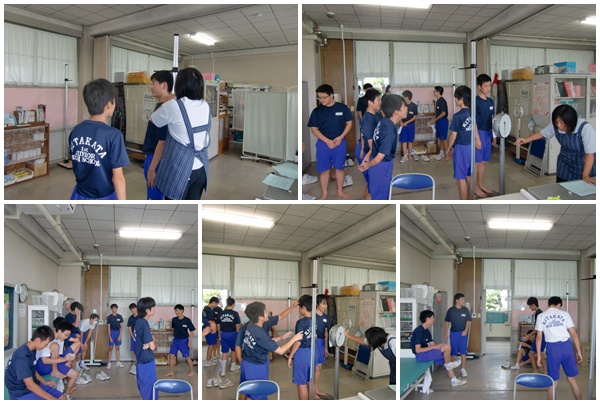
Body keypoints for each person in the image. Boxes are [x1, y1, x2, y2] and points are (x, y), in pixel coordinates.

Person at [151, 67, 211, 199]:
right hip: (201, 168)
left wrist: (170, 99)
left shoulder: (174, 105)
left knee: (174, 206)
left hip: (181, 171)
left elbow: (153, 119)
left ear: (179, 85)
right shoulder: (205, 105)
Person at [69, 78, 129, 200]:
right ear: (109, 104)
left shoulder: (75, 131)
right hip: (104, 197)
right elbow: (118, 178)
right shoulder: (114, 136)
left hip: (79, 195)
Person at [515, 104, 596, 184]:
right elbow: (542, 133)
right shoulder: (555, 125)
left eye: (562, 123)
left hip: (584, 164)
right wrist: (526, 140)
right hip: (565, 164)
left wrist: (586, 175)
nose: (558, 125)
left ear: (570, 121)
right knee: (562, 188)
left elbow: (590, 154)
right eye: (556, 122)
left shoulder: (585, 128)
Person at [239, 302, 303, 400]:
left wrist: (280, 338)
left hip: (247, 363)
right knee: (259, 395)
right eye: (265, 311)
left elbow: (263, 342)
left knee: (251, 393)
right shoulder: (259, 333)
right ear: (260, 317)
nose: (267, 312)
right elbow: (281, 351)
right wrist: (294, 339)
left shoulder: (251, 326)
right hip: (256, 367)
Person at [308, 84, 353, 200]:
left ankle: (340, 191)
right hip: (323, 143)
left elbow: (349, 123)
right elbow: (314, 129)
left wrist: (341, 137)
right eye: (319, 98)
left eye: (324, 97)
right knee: (324, 170)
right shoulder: (317, 111)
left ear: (331, 95)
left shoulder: (342, 108)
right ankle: (324, 193)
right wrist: (327, 141)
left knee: (339, 168)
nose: (321, 100)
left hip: (339, 143)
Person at [358, 94, 408, 200]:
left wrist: (368, 156)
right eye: (404, 106)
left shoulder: (384, 121)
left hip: (376, 162)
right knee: (379, 197)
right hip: (381, 166)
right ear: (396, 111)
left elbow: (375, 142)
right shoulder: (389, 132)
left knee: (372, 191)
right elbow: (379, 158)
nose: (406, 108)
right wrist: (367, 165)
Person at [535, 296, 583, 400]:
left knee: (553, 382)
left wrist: (538, 356)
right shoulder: (565, 314)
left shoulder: (541, 316)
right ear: (559, 304)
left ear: (549, 304)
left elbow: (539, 337)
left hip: (553, 349)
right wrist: (579, 351)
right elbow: (574, 334)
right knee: (571, 379)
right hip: (567, 347)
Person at [5, 325, 68, 400]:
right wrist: (51, 399)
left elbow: (33, 370)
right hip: (21, 392)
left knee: (63, 398)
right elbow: (30, 385)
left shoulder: (32, 349)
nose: (46, 346)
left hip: (34, 384)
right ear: (37, 340)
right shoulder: (22, 358)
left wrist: (44, 382)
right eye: (46, 344)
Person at [409, 310, 466, 387]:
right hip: (421, 355)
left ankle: (452, 375)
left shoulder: (426, 331)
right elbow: (418, 350)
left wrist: (439, 346)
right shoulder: (419, 331)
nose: (434, 319)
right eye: (433, 318)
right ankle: (451, 372)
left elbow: (433, 344)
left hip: (426, 353)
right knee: (447, 349)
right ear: (427, 319)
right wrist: (435, 347)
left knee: (446, 347)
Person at [143, 70, 174, 200]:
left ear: (164, 85)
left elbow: (162, 142)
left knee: (155, 199)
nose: (151, 87)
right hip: (152, 157)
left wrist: (152, 168)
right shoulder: (162, 105)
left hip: (156, 159)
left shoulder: (167, 109)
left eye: (153, 83)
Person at [448, 85, 481, 200]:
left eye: (456, 98)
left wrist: (448, 148)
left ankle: (463, 203)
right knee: (469, 177)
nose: (455, 100)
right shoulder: (472, 112)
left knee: (460, 180)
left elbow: (453, 136)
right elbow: (474, 126)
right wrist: (477, 139)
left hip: (461, 148)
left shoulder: (458, 116)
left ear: (461, 99)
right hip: (471, 148)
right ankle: (470, 201)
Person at [35, 322, 79, 398]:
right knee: (74, 374)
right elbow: (44, 360)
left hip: (52, 363)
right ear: (59, 331)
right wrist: (64, 360)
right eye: (65, 335)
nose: (66, 337)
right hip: (42, 366)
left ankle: (67, 394)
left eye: (68, 336)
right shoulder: (50, 340)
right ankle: (55, 371)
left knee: (74, 373)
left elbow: (57, 356)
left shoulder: (60, 340)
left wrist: (67, 360)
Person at [288, 295, 317, 400]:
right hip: (312, 352)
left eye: (300, 308)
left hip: (302, 353)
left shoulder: (300, 323)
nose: (300, 310)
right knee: (309, 380)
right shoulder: (314, 320)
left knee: (301, 384)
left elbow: (298, 342)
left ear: (303, 308)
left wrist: (290, 356)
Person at [355, 88, 382, 200]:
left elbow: (363, 134)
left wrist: (362, 147)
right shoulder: (368, 119)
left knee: (371, 183)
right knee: (372, 186)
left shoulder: (377, 114)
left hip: (367, 150)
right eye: (378, 100)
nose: (380, 102)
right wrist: (367, 153)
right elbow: (370, 142)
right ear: (370, 102)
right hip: (370, 153)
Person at [474, 74, 496, 198]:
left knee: (483, 162)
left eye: (489, 86)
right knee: (477, 162)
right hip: (479, 133)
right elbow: (473, 121)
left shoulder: (490, 101)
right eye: (486, 86)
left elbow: (492, 119)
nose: (488, 88)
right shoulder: (475, 101)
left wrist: (494, 135)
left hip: (488, 133)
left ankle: (480, 184)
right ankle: (475, 187)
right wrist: (477, 138)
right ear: (479, 86)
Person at [133, 297, 157, 400]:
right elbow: (153, 346)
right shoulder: (144, 323)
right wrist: (150, 343)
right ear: (147, 310)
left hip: (140, 360)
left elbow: (151, 339)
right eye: (153, 307)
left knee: (143, 390)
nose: (155, 309)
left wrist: (150, 341)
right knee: (149, 390)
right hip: (146, 360)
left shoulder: (138, 322)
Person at [444, 293, 471, 378]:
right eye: (462, 299)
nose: (463, 301)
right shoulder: (451, 310)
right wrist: (446, 333)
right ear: (457, 300)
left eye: (463, 299)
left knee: (463, 352)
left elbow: (468, 321)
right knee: (453, 352)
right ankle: (450, 370)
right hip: (453, 333)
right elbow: (447, 322)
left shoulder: (465, 310)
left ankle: (463, 369)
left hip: (463, 333)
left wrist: (466, 331)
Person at [165, 304, 196, 378]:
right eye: (175, 311)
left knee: (187, 357)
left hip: (184, 341)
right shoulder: (174, 320)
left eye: (177, 310)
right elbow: (173, 329)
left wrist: (190, 342)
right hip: (176, 341)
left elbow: (192, 331)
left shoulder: (187, 320)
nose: (176, 312)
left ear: (182, 310)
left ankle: (192, 371)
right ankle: (171, 372)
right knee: (171, 355)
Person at [218, 297, 241, 379]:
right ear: (233, 304)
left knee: (224, 352)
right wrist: (238, 332)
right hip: (232, 334)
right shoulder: (235, 314)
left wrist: (219, 333)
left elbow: (218, 324)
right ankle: (232, 366)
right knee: (233, 350)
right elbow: (237, 326)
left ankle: (223, 371)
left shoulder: (221, 313)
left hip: (223, 334)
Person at [314, 295, 332, 399]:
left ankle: (315, 389)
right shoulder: (312, 316)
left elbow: (326, 333)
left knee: (319, 367)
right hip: (313, 342)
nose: (325, 306)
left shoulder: (325, 317)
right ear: (317, 304)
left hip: (321, 343)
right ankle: (312, 391)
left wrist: (326, 347)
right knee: (313, 367)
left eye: (326, 304)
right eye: (323, 303)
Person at [429, 86, 449, 160]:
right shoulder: (438, 101)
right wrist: (433, 119)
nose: (433, 92)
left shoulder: (442, 101)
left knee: (444, 139)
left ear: (438, 92)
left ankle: (447, 155)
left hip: (443, 121)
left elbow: (443, 113)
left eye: (434, 91)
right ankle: (441, 153)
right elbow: (438, 113)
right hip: (439, 121)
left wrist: (435, 120)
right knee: (440, 138)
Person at [399, 90, 419, 163]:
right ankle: (405, 156)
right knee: (404, 141)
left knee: (410, 141)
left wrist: (406, 122)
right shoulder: (402, 105)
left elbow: (414, 117)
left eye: (403, 97)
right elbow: (399, 115)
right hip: (403, 126)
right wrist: (401, 122)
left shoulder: (414, 106)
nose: (403, 98)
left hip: (410, 125)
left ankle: (410, 155)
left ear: (407, 97)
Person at [106, 303, 124, 370]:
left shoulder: (120, 316)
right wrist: (110, 336)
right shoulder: (109, 317)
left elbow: (121, 327)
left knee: (117, 348)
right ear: (111, 309)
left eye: (116, 308)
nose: (115, 309)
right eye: (113, 308)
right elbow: (108, 328)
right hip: (112, 332)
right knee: (110, 348)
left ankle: (118, 362)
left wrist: (120, 336)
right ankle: (109, 363)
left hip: (118, 332)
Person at [203, 297, 220, 365]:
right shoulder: (209, 310)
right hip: (210, 330)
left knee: (211, 344)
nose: (216, 305)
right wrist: (215, 328)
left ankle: (209, 358)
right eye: (216, 304)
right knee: (211, 345)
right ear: (213, 302)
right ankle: (207, 360)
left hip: (207, 329)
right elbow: (211, 321)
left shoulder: (205, 308)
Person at [127, 303, 139, 375]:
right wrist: (132, 336)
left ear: (136, 308)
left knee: (140, 349)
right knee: (135, 350)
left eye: (134, 308)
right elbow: (129, 328)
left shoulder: (141, 316)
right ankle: (136, 364)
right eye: (132, 309)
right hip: (134, 336)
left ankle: (139, 364)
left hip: (140, 336)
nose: (133, 310)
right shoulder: (130, 318)